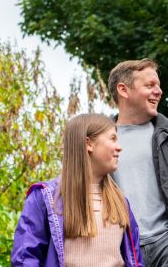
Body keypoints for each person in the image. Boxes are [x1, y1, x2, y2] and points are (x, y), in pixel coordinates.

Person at [11, 113, 144, 266]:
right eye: (112, 139)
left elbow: (135, 260)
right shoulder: (44, 198)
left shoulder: (121, 202)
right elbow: (25, 259)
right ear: (89, 144)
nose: (119, 147)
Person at [108, 59, 168, 267]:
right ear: (123, 90)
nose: (159, 91)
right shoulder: (99, 142)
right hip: (121, 248)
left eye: (158, 85)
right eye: (150, 85)